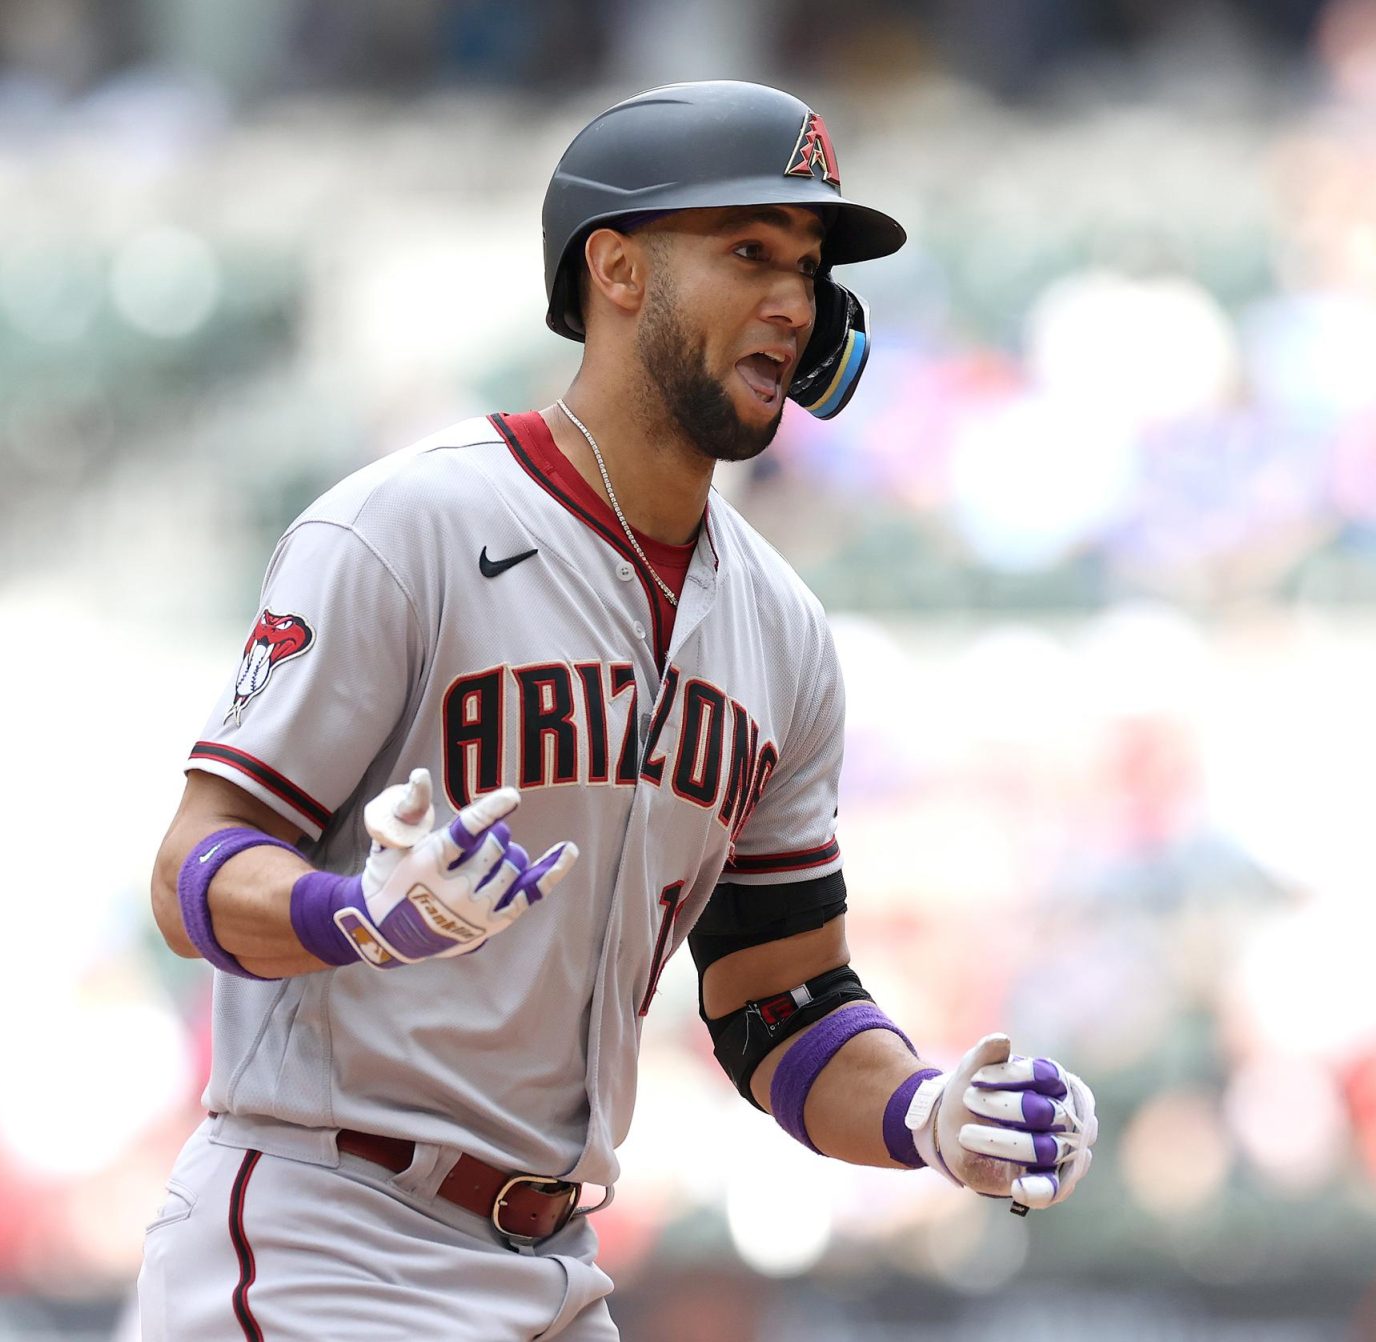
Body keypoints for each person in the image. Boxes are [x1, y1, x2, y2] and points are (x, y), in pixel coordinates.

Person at [138, 80, 1099, 1341]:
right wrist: (355, 915)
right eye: (749, 251)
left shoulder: (785, 632)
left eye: (809, 269)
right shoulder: (405, 529)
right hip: (325, 1238)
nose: (794, 303)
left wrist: (928, 1113)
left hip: (551, 1266)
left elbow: (782, 1004)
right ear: (618, 268)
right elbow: (189, 875)